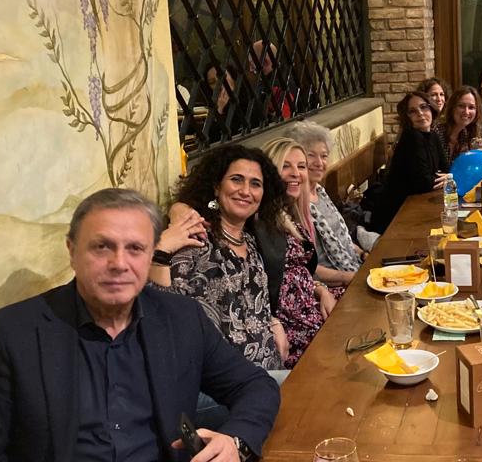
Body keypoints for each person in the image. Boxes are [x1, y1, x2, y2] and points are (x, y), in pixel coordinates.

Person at [0, 188, 279, 461]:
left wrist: (235, 440)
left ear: (151, 254)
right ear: (72, 251)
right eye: (102, 247)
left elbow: (255, 385)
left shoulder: (181, 318)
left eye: (135, 249)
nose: (119, 263)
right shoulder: (13, 335)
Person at [150, 145, 285, 371]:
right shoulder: (197, 240)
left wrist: (274, 321)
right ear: (216, 187)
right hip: (225, 379)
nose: (246, 191)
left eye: (255, 184)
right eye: (236, 180)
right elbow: (167, 310)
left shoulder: (249, 240)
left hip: (268, 370)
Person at [261, 138, 336, 367]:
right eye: (285, 166)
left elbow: (301, 272)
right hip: (291, 324)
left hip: (310, 306)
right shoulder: (257, 217)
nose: (296, 173)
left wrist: (321, 290)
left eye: (301, 166)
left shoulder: (290, 213)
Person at [289, 121, 363, 293]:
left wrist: (363, 254)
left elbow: (342, 239)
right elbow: (307, 266)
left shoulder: (320, 192)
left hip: (352, 268)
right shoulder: (294, 204)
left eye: (323, 156)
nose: (319, 162)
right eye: (311, 155)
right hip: (331, 286)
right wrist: (350, 278)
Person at [370, 91, 450, 233]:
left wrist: (447, 177)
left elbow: (446, 170)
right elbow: (425, 183)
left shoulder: (432, 135)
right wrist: (444, 178)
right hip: (395, 217)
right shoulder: (412, 137)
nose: (420, 113)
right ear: (407, 117)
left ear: (431, 108)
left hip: (415, 208)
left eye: (423, 107)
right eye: (412, 111)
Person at [441, 85, 482, 160]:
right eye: (461, 106)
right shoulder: (438, 132)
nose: (466, 112)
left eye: (471, 107)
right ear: (452, 108)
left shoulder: (465, 134)